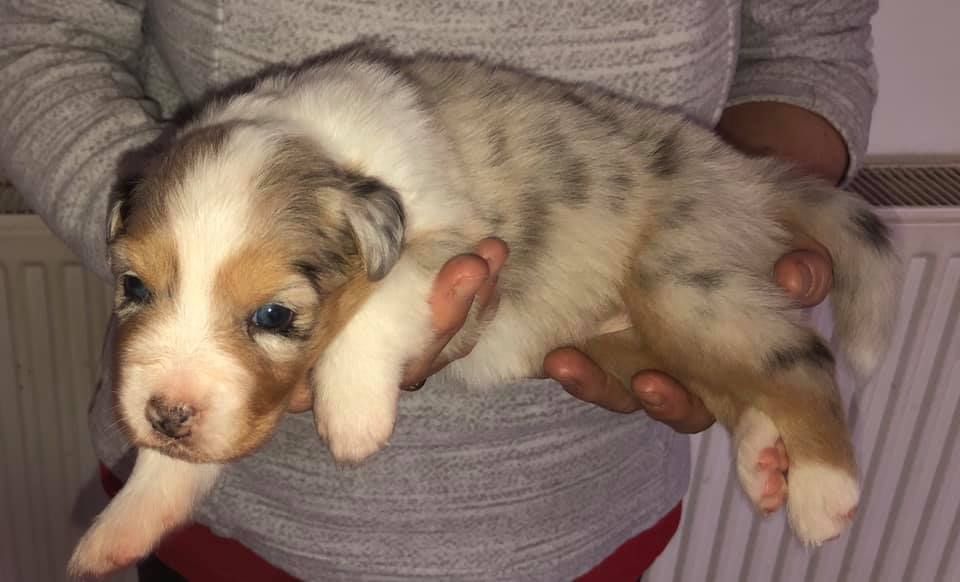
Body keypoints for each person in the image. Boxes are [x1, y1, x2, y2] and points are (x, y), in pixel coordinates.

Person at [0, 1, 878, 580]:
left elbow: (436, 252)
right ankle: (746, 392)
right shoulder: (218, 164)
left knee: (690, 316)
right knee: (654, 336)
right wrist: (157, 482)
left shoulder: (374, 153)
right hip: (248, 551)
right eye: (137, 285)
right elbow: (36, 38)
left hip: (639, 244)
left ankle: (800, 415)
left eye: (269, 313)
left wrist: (360, 354)